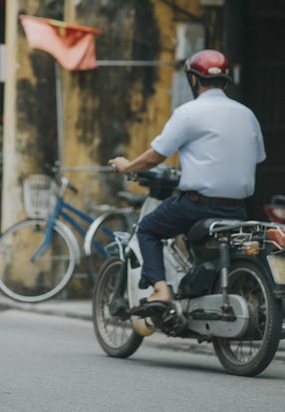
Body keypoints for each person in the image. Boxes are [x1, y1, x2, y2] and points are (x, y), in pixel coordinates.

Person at [109, 49, 266, 311]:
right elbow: (258, 157)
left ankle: (160, 291)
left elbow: (155, 156)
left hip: (198, 206)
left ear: (193, 80)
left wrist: (128, 167)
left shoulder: (189, 112)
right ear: (225, 81)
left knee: (147, 229)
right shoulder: (247, 115)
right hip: (237, 207)